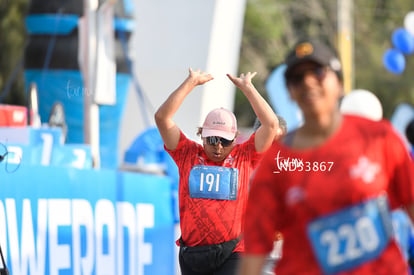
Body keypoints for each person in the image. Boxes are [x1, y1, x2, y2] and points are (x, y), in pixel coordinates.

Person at [239, 38, 414, 275]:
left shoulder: (379, 137)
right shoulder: (275, 163)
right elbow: (255, 248)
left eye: (318, 72)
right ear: (290, 92)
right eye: (297, 78)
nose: (308, 82)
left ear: (339, 84)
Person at [154, 67, 279, 275]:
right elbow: (162, 118)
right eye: (212, 139)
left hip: (233, 252)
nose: (218, 146)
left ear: (235, 137)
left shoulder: (245, 156)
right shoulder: (186, 153)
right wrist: (191, 83)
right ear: (201, 134)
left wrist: (248, 89)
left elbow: (271, 124)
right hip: (193, 255)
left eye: (225, 140)